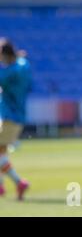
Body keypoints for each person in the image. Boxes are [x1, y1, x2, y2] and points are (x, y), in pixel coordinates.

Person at [0, 38, 32, 200]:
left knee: (0, 154)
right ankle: (1, 186)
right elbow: (22, 61)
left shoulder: (6, 73)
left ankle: (19, 182)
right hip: (19, 116)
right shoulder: (24, 65)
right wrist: (19, 56)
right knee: (1, 152)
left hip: (7, 117)